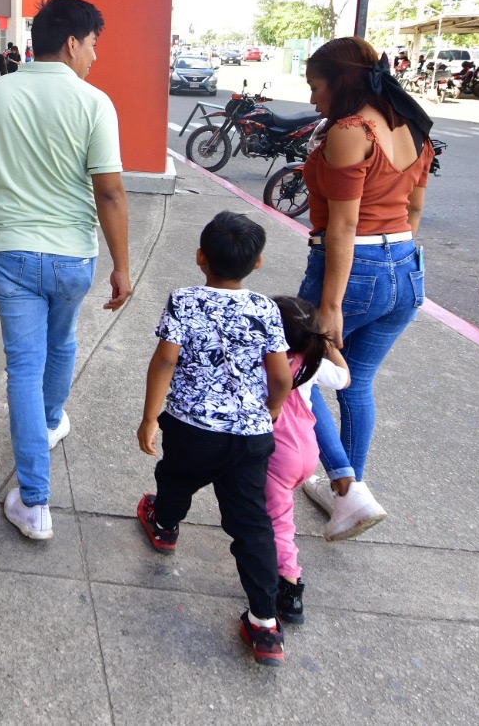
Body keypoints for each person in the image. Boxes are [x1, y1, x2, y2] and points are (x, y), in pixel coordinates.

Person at [0, 0, 131, 540]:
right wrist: (122, 266)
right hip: (73, 257)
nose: (94, 55)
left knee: (24, 366)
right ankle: (48, 422)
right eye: (93, 44)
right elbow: (110, 193)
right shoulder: (95, 102)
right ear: (71, 42)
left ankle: (34, 502)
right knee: (62, 341)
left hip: (12, 255)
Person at [134, 211, 292, 666]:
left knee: (175, 478)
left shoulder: (184, 300)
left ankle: (164, 526)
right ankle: (264, 624)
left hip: (192, 428)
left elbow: (166, 360)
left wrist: (149, 417)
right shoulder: (265, 308)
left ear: (200, 257)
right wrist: (272, 408)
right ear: (257, 263)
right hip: (250, 436)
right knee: (252, 524)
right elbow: (280, 374)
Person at [298, 36, 432, 540]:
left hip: (355, 268)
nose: (313, 98)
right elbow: (414, 210)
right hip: (407, 267)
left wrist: (332, 304)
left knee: (295, 367)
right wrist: (393, 259)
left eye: (317, 86)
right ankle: (346, 496)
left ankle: (346, 487)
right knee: (357, 382)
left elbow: (343, 226)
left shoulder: (351, 132)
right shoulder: (413, 127)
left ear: (342, 82)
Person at [263, 296, 350, 628]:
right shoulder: (311, 364)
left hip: (278, 456)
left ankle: (290, 585)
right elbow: (344, 378)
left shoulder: (265, 362)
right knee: (278, 512)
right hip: (308, 453)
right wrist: (328, 346)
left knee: (280, 523)